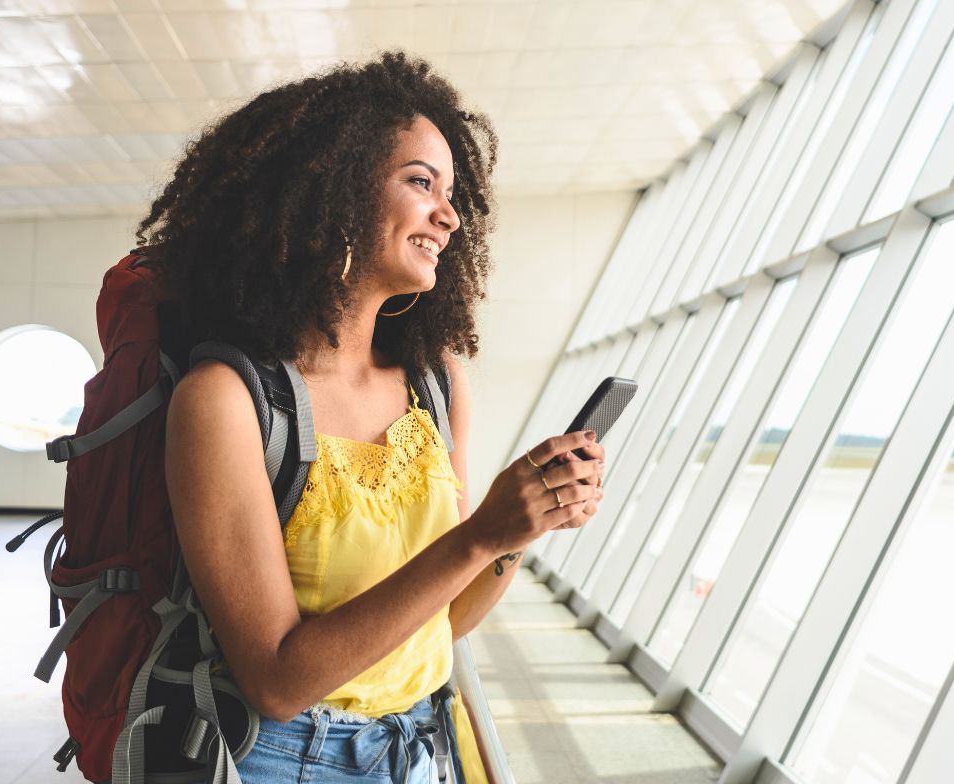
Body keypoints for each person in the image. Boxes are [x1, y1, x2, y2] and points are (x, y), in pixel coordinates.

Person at [140, 52, 607, 783]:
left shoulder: (436, 384)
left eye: (451, 192)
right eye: (421, 182)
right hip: (285, 760)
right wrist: (479, 533)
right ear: (335, 188)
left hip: (423, 748)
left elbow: (439, 626)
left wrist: (517, 533)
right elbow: (277, 681)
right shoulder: (225, 401)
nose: (449, 215)